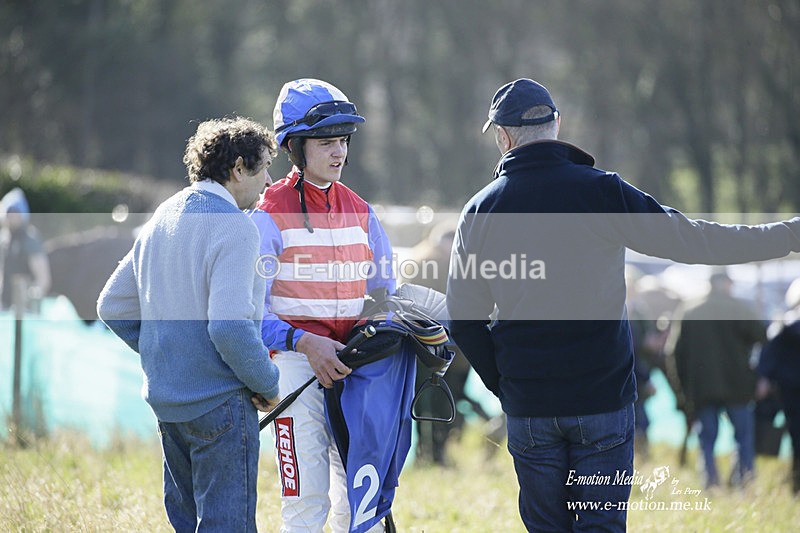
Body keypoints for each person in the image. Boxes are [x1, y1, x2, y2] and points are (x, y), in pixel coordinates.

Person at [446, 78, 800, 531]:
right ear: (557, 124)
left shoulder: (480, 211)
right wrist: (788, 234)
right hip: (603, 399)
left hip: (529, 401)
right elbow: (696, 241)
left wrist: (505, 384)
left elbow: (463, 318)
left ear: (502, 136)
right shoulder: (602, 191)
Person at [97, 117, 281, 532]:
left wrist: (170, 355)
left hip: (169, 404)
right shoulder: (237, 228)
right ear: (238, 169)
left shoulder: (161, 218)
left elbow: (113, 305)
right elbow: (230, 328)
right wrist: (268, 383)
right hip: (222, 404)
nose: (269, 180)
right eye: (264, 167)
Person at [253, 78, 395, 532]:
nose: (338, 153)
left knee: (361, 504)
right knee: (306, 501)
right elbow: (246, 313)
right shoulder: (265, 214)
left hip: (353, 365)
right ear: (294, 146)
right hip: (294, 365)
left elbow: (386, 294)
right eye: (325, 142)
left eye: (342, 141)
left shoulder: (362, 211)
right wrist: (302, 340)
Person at [668, 268, 766, 488]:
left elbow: (673, 352)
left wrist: (682, 391)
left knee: (707, 440)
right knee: (743, 438)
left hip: (702, 388)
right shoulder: (739, 308)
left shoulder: (689, 310)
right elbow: (762, 335)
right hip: (738, 386)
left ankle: (710, 485)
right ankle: (745, 484)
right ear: (727, 284)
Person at [757, 278, 800, 494]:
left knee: (796, 441)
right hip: (790, 392)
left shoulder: (782, 327)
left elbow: (768, 358)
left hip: (790, 393)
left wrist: (765, 379)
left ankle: (795, 486)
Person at [0, 187, 51, 311]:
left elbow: (43, 280)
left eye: (16, 212)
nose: (12, 216)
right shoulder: (4, 239)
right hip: (4, 308)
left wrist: (27, 298)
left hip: (25, 312)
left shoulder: (30, 240)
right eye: (9, 212)